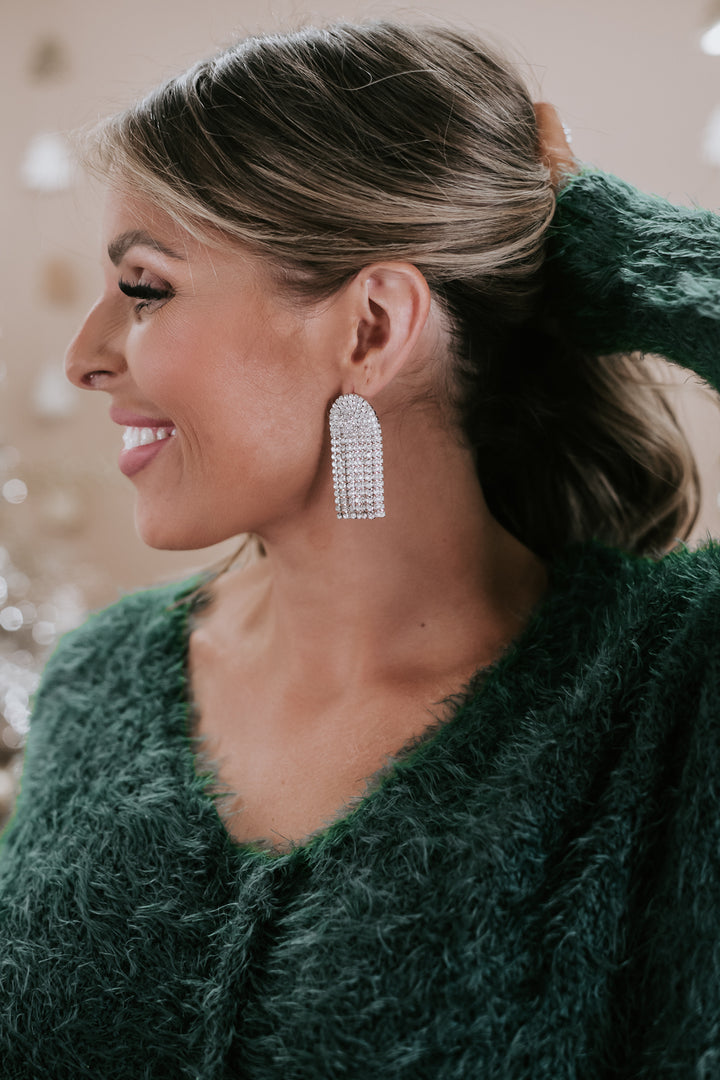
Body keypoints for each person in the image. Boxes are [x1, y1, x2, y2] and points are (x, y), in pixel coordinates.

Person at [1, 18, 719, 1079]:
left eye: (145, 289)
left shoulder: (674, 696)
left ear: (372, 328)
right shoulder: (93, 685)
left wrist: (614, 244)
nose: (83, 358)